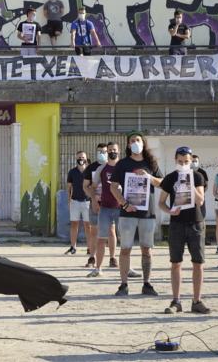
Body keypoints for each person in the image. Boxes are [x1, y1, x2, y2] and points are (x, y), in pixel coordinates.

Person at [110, 132, 163, 296]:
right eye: (132, 140)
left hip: (147, 213)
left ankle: (147, 284)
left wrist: (149, 177)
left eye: (138, 140)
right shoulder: (122, 164)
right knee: (125, 249)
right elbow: (113, 186)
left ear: (143, 143)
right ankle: (123, 284)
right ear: (128, 145)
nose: (135, 142)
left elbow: (162, 183)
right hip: (127, 214)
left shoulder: (151, 162)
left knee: (146, 250)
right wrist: (124, 204)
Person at [159, 146, 211, 314]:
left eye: (186, 162)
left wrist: (189, 181)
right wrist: (169, 211)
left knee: (198, 263)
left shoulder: (197, 176)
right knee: (176, 263)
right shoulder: (170, 178)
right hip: (177, 224)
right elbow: (161, 202)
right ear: (176, 160)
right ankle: (176, 301)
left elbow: (201, 200)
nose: (183, 164)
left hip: (196, 223)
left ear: (191, 161)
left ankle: (197, 300)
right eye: (180, 162)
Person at [88, 142, 122, 277]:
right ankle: (98, 268)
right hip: (105, 208)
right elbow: (93, 186)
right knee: (101, 238)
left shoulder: (123, 168)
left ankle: (126, 267)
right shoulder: (101, 169)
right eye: (110, 150)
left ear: (119, 151)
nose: (112, 151)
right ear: (107, 152)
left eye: (115, 149)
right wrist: (94, 200)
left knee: (125, 240)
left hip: (121, 208)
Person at [66, 151, 91, 256]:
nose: (81, 159)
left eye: (83, 157)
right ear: (76, 159)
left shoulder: (89, 172)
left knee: (87, 226)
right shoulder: (72, 172)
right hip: (75, 201)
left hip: (87, 202)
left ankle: (90, 248)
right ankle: (73, 247)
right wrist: (69, 200)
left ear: (86, 159)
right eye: (79, 157)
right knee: (74, 224)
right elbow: (69, 187)